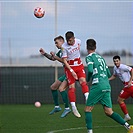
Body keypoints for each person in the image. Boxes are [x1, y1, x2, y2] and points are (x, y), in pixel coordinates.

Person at [84, 39, 133, 133]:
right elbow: (108, 73)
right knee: (109, 111)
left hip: (98, 85)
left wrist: (87, 80)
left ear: (87, 47)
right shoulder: (101, 58)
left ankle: (89, 132)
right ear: (95, 47)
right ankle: (128, 127)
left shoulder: (89, 57)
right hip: (106, 85)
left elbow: (90, 70)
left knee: (87, 109)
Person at [39, 36, 71, 118]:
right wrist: (44, 54)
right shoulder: (60, 51)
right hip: (66, 73)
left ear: (62, 41)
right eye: (55, 43)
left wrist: (56, 57)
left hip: (72, 72)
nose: (56, 45)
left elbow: (65, 61)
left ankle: (67, 108)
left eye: (57, 42)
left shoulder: (67, 49)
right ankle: (57, 107)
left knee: (61, 89)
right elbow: (53, 58)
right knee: (53, 87)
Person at [61, 31, 89, 118]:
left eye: (70, 40)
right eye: (67, 41)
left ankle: (88, 99)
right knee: (72, 88)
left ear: (73, 38)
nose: (69, 42)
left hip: (79, 65)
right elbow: (64, 60)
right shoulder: (64, 47)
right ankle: (73, 107)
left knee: (83, 82)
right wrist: (71, 71)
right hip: (70, 67)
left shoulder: (79, 41)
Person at [109, 55, 133, 121]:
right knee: (120, 100)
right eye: (114, 61)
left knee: (120, 100)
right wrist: (108, 79)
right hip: (128, 86)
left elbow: (131, 69)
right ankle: (127, 115)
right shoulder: (115, 68)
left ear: (120, 61)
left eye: (117, 61)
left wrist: (130, 80)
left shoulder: (123, 67)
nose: (116, 62)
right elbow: (114, 75)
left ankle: (127, 116)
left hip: (129, 86)